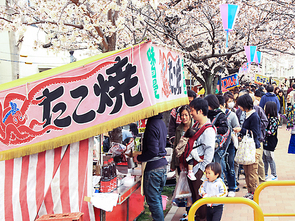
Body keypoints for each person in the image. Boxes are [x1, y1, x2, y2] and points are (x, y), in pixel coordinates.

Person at [180, 98, 216, 221]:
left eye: (192, 110)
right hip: (193, 169)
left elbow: (209, 154)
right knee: (195, 197)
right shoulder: (196, 125)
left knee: (201, 199)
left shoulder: (208, 130)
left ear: (200, 111)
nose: (191, 113)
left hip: (198, 171)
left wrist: (201, 171)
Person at [133, 113, 167, 221]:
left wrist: (139, 158)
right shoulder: (160, 122)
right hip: (161, 166)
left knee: (154, 201)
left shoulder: (152, 124)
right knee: (156, 199)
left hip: (154, 168)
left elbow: (153, 151)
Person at [233, 94, 262, 200]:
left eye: (240, 105)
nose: (239, 107)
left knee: (252, 172)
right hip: (248, 147)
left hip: (253, 148)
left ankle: (255, 193)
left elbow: (255, 133)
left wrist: (242, 130)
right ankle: (250, 191)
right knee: (247, 171)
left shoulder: (254, 116)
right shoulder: (247, 114)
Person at [217, 94, 240, 197]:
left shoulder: (232, 115)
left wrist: (232, 132)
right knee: (221, 167)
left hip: (229, 144)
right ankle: (223, 188)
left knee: (230, 165)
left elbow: (237, 127)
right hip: (218, 146)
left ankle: (232, 187)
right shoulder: (214, 116)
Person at [204, 94, 229, 180]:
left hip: (218, 147)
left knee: (217, 168)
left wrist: (212, 129)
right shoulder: (206, 115)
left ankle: (220, 188)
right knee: (209, 169)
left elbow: (224, 129)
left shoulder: (220, 115)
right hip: (208, 145)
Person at [171, 105, 193, 180]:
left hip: (192, 161)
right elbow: (176, 146)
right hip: (180, 160)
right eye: (182, 115)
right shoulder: (178, 129)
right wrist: (173, 164)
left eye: (186, 115)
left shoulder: (195, 127)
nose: (184, 117)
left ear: (190, 115)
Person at [263, 101, 279, 181]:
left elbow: (271, 132)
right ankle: (265, 174)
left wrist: (263, 130)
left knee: (270, 158)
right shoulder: (267, 117)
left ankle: (274, 174)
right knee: (264, 158)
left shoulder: (274, 119)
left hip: (271, 141)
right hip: (265, 141)